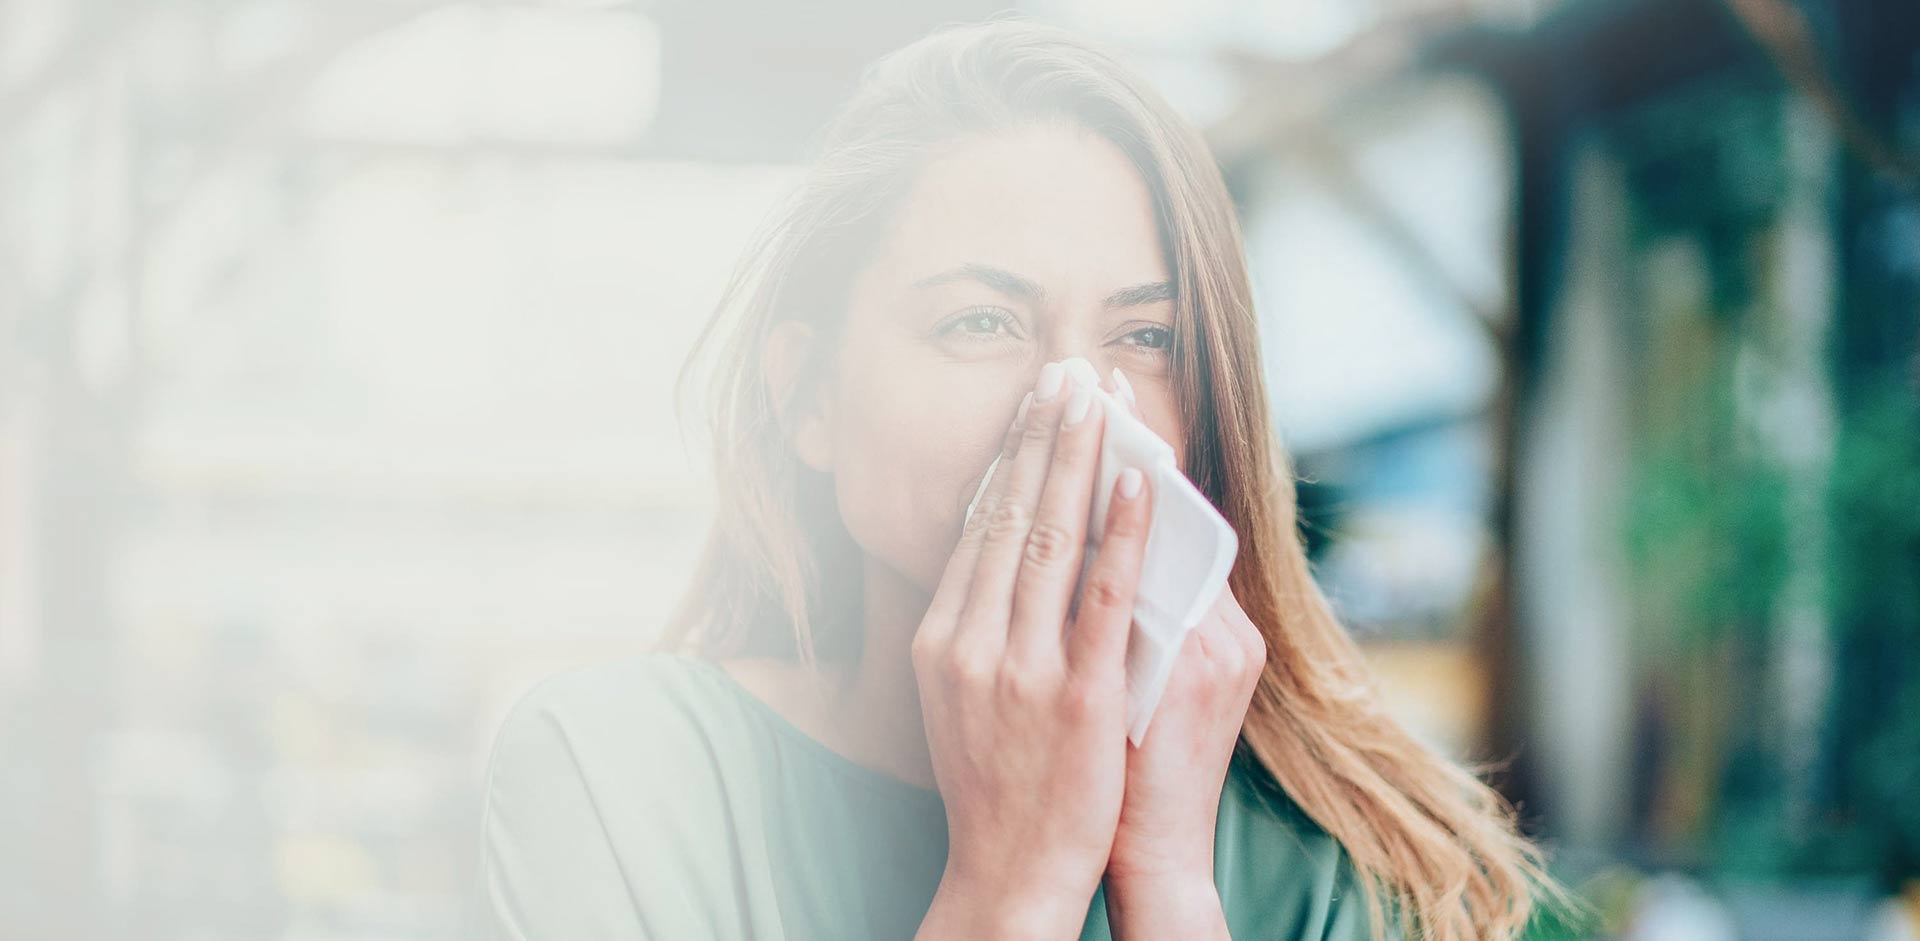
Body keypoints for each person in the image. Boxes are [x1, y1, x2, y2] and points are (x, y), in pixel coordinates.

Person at [476, 16, 1553, 941]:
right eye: (979, 321)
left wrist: (1171, 888)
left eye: (1144, 334)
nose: (1076, 405)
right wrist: (1010, 891)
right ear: (809, 397)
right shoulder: (616, 772)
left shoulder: (1334, 845)